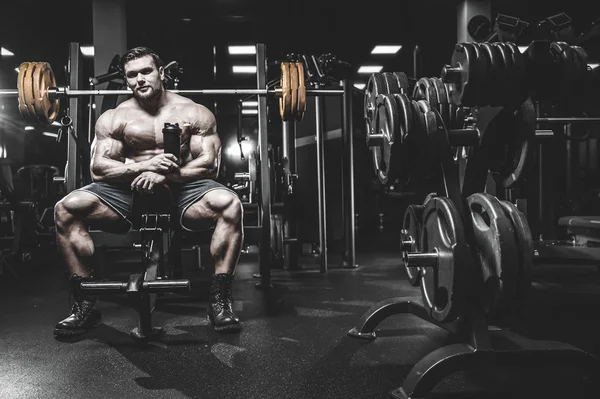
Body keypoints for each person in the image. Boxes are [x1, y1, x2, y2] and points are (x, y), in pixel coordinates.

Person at [53, 47, 244, 336]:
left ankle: (219, 301)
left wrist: (164, 172)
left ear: (161, 73)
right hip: (130, 191)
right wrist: (143, 168)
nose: (140, 79)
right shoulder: (115, 117)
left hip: (183, 189)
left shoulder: (193, 112)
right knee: (66, 208)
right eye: (132, 75)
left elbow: (209, 165)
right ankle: (85, 302)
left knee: (229, 203)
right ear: (127, 80)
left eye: (146, 71)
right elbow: (99, 168)